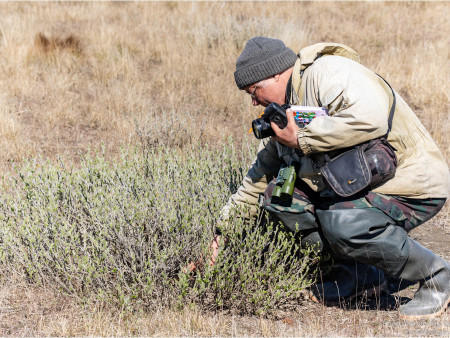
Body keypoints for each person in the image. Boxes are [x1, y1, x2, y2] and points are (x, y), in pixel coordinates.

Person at [200, 36, 449, 321]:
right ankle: (360, 277)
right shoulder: (283, 112)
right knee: (279, 198)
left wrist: (302, 137)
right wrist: (222, 234)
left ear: (277, 73)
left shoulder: (329, 72)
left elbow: (370, 118)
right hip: (361, 185)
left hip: (414, 183)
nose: (254, 100)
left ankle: (437, 276)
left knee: (342, 221)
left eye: (255, 90)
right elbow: (258, 178)